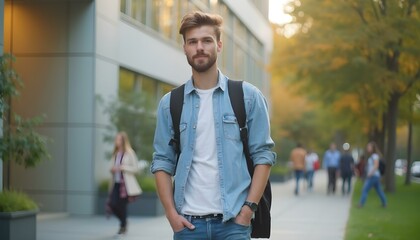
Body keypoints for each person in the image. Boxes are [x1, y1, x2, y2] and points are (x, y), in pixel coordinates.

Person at [151, 11, 276, 240]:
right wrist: (171, 214)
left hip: (234, 224)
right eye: (193, 42)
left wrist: (248, 210)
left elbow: (263, 156)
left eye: (206, 40)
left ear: (219, 45)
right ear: (185, 48)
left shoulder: (247, 96)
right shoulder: (170, 104)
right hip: (188, 225)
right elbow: (162, 161)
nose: (200, 47)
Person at [107, 132, 142, 237]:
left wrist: (123, 167)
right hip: (116, 184)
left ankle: (122, 226)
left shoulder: (130, 153)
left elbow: (136, 169)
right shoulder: (115, 153)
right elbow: (111, 167)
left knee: (122, 206)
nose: (116, 141)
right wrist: (112, 169)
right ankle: (124, 221)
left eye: (118, 139)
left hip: (125, 186)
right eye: (116, 139)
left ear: (123, 141)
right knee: (112, 205)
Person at [358, 142, 387, 208]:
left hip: (373, 176)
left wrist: (370, 173)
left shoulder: (375, 156)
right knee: (379, 190)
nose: (367, 148)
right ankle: (384, 203)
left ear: (373, 148)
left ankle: (361, 204)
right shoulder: (373, 156)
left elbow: (376, 166)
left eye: (369, 147)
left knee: (365, 189)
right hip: (375, 176)